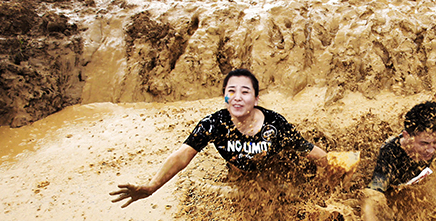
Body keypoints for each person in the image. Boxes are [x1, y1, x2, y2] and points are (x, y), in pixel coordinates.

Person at [111, 68, 342, 208]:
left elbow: (309, 150)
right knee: (242, 196)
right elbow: (182, 156)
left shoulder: (275, 124)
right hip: (239, 175)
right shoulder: (214, 124)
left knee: (286, 193)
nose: (238, 98)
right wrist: (152, 186)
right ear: (225, 97)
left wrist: (340, 172)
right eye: (231, 91)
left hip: (274, 167)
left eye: (245, 92)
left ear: (256, 99)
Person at [361, 102, 436, 221]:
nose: (430, 150)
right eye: (424, 143)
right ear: (407, 136)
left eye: (435, 142)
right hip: (394, 205)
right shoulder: (390, 154)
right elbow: (368, 202)